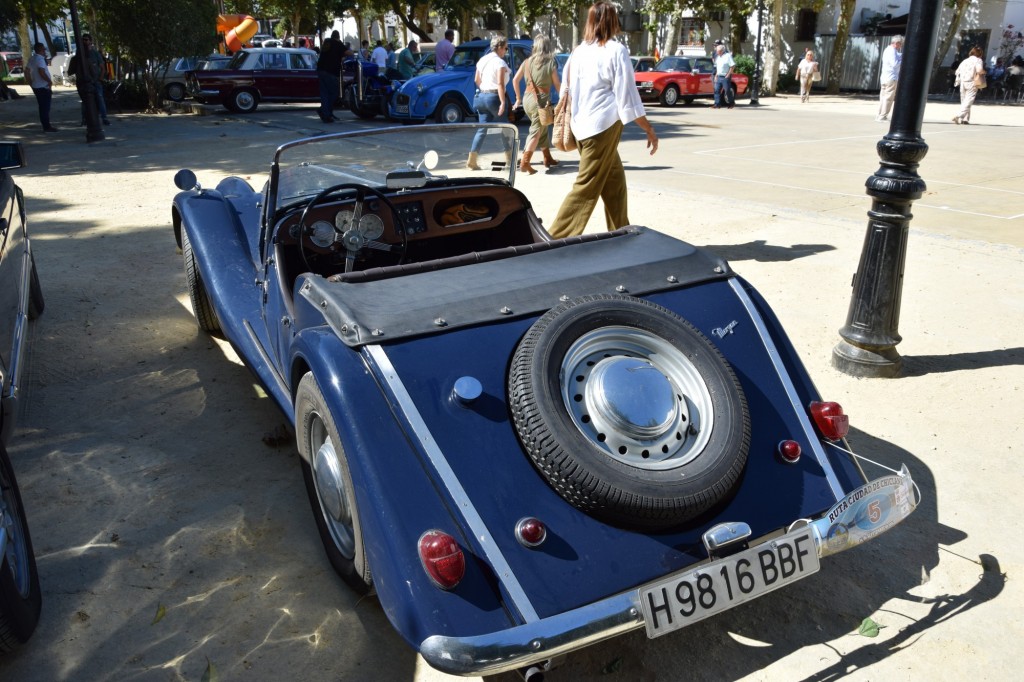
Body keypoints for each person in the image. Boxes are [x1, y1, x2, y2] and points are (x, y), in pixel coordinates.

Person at [546, 2, 658, 238]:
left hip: (580, 126)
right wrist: (648, 128)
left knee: (614, 181)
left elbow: (566, 89)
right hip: (602, 128)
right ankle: (553, 239)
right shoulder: (616, 50)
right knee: (586, 187)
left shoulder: (578, 51)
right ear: (612, 21)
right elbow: (627, 95)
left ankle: (621, 232)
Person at [512, 34, 561, 174]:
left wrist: (518, 98)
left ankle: (547, 158)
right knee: (536, 131)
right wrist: (564, 98)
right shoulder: (550, 63)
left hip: (527, 99)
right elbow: (557, 84)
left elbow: (515, 80)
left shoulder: (527, 62)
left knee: (542, 128)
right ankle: (525, 162)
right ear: (547, 47)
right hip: (540, 101)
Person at [466, 36, 513, 170]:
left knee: (482, 129)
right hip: (494, 97)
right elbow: (500, 84)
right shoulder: (500, 63)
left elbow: (477, 79)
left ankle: (472, 160)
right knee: (505, 128)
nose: (506, 51)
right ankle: (510, 159)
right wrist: (502, 102)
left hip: (481, 97)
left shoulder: (482, 60)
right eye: (505, 48)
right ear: (499, 47)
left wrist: (485, 89)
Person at [69, 33, 110, 125]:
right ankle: (84, 119)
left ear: (90, 41)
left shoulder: (95, 54)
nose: (84, 41)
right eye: (83, 40)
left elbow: (102, 68)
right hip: (84, 82)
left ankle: (104, 118)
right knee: (85, 101)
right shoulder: (79, 54)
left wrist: (100, 78)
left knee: (100, 98)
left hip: (95, 81)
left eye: (86, 40)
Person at [28, 43, 57, 132]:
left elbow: (26, 71)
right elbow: (41, 71)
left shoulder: (32, 58)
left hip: (36, 85)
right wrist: (49, 81)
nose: (45, 51)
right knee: (45, 107)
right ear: (41, 50)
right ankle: (47, 126)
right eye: (44, 49)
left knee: (42, 106)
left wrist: (30, 82)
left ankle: (46, 125)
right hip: (43, 86)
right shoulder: (40, 59)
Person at [952, 46, 986, 125]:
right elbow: (979, 70)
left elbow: (957, 71)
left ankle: (965, 119)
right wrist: (984, 72)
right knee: (969, 100)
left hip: (963, 82)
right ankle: (959, 115)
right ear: (980, 54)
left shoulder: (965, 60)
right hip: (972, 82)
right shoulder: (978, 60)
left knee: (964, 100)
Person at [316, 30, 344, 123]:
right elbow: (349, 53)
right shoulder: (337, 43)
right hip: (331, 72)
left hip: (321, 70)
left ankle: (326, 112)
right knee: (333, 93)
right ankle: (326, 112)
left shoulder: (326, 42)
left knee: (324, 93)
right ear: (338, 37)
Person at [876, 34, 903, 121]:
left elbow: (897, 56)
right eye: (900, 44)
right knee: (888, 98)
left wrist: (901, 56)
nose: (900, 46)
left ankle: (879, 115)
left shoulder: (887, 49)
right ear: (897, 43)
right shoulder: (892, 51)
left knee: (883, 97)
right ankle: (883, 116)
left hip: (885, 77)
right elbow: (894, 64)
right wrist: (902, 61)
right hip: (891, 77)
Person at [713, 42, 735, 109]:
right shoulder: (718, 57)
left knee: (727, 90)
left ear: (722, 51)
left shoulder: (728, 56)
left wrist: (728, 75)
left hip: (725, 76)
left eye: (718, 51)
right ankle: (717, 104)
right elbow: (718, 67)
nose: (717, 52)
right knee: (716, 90)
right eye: (717, 51)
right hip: (719, 76)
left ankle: (731, 103)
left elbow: (732, 66)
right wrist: (716, 75)